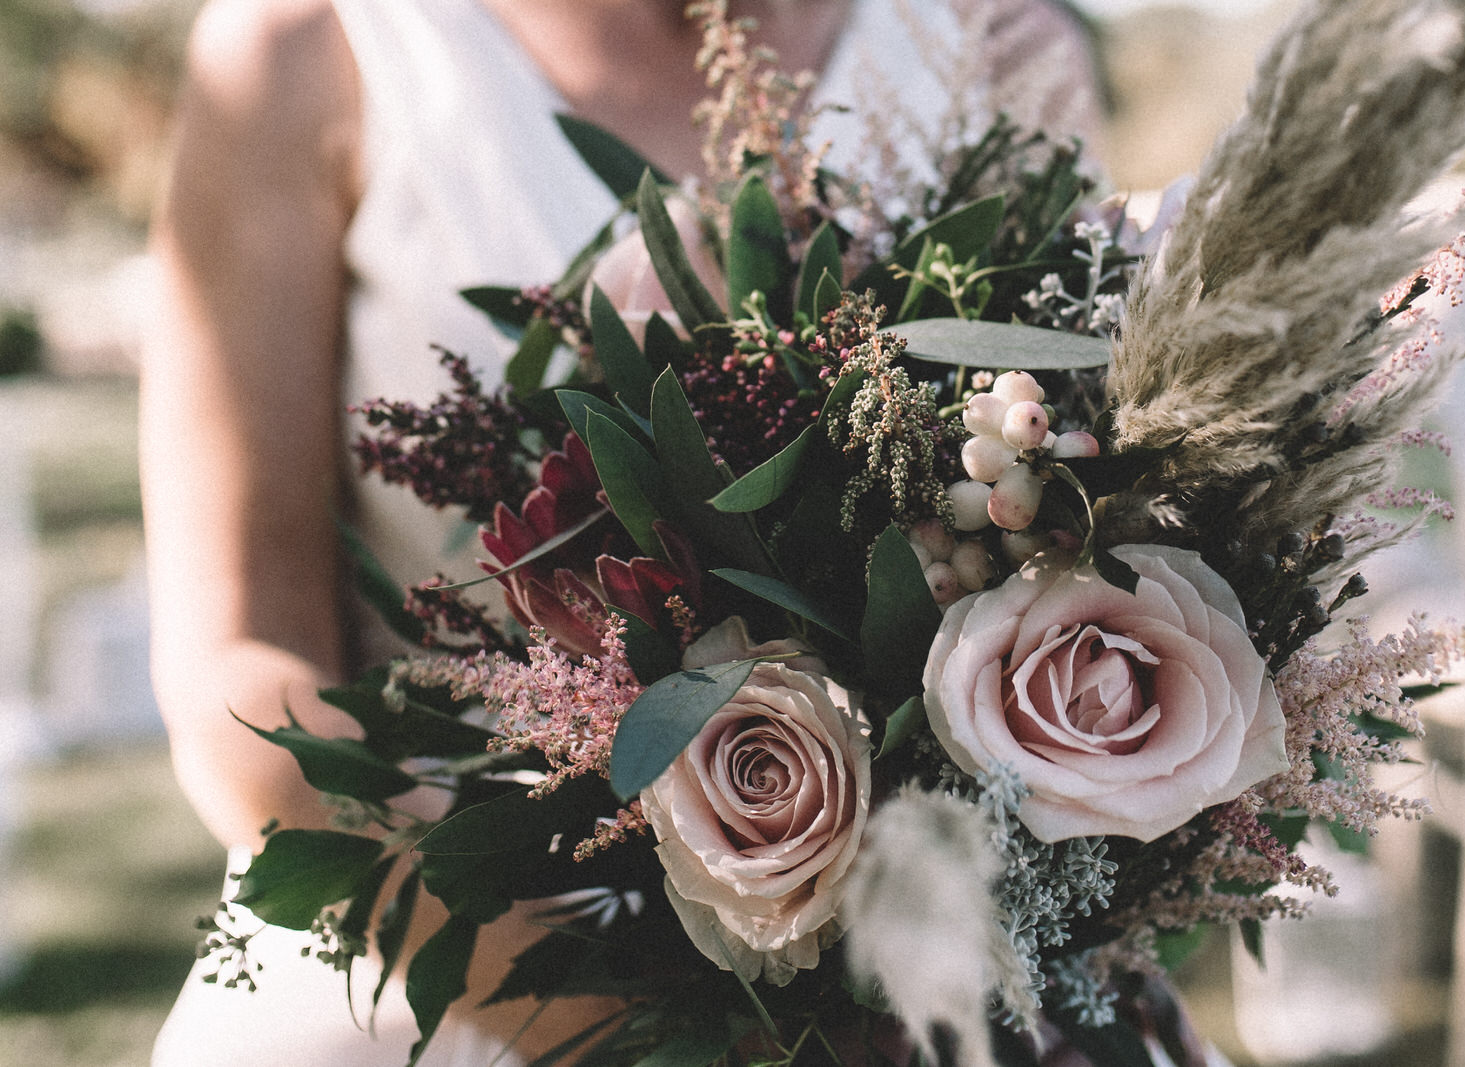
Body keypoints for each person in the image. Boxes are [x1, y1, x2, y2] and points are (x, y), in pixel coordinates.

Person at [140, 0, 1103, 1062]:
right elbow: (239, 672)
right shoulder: (309, 48)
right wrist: (628, 1028)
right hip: (442, 945)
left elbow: (1090, 515)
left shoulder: (992, 46)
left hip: (924, 979)